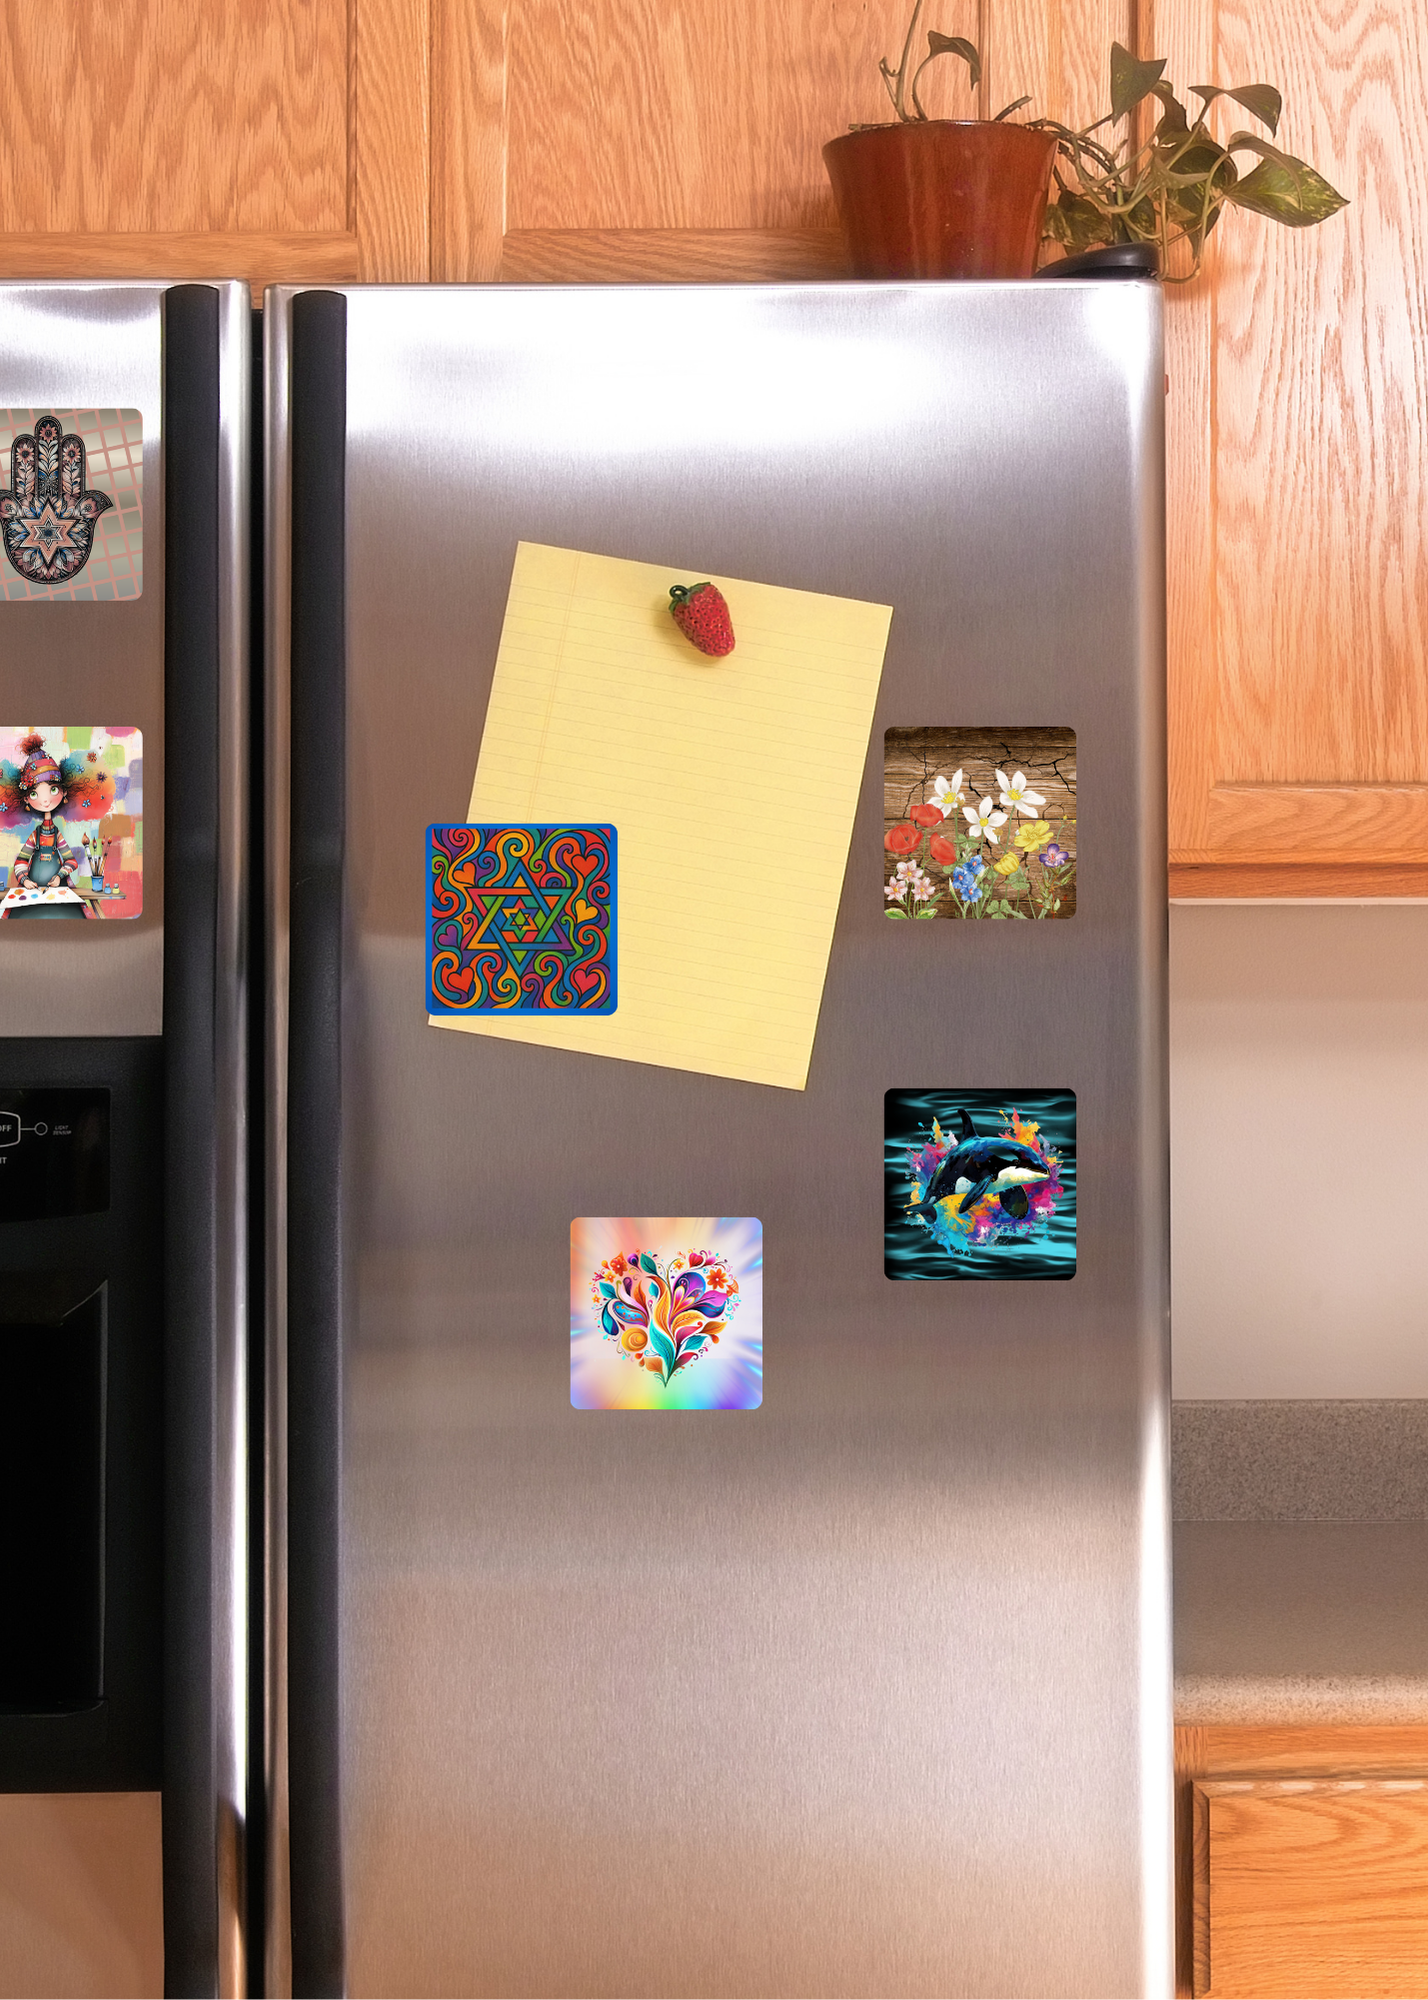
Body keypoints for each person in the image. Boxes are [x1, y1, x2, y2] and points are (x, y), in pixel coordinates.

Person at [0, 731, 99, 918]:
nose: (45, 801)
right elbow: (21, 861)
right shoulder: (35, 835)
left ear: (63, 792)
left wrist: (59, 876)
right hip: (32, 895)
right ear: (27, 799)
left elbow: (71, 861)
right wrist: (25, 880)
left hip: (58, 892)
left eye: (53, 790)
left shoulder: (57, 834)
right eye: (35, 794)